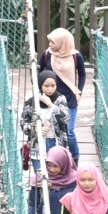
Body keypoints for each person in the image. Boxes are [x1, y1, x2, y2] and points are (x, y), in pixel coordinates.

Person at [39, 28, 86, 162]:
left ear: (62, 42)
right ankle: (53, 160)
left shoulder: (76, 56)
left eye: (53, 42)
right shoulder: (47, 54)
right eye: (50, 42)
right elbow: (39, 72)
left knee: (68, 130)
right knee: (51, 131)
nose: (50, 45)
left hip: (69, 98)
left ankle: (74, 157)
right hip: (49, 98)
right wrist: (41, 90)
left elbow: (82, 74)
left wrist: (79, 91)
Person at [21, 70, 70, 165]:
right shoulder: (30, 103)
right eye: (46, 86)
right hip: (37, 145)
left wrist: (50, 104)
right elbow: (24, 125)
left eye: (53, 85)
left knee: (55, 175)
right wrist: (35, 128)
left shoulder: (60, 99)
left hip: (56, 143)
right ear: (40, 85)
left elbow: (66, 118)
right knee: (40, 176)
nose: (50, 89)